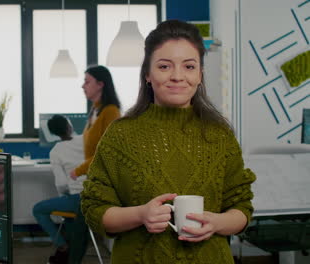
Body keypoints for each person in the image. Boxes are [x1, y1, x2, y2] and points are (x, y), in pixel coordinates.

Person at [80, 20, 256, 264]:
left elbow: (241, 208)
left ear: (200, 74)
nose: (177, 76)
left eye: (189, 66)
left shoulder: (219, 135)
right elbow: (94, 209)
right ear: (148, 75)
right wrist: (141, 215)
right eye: (164, 66)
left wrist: (217, 223)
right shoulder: (121, 134)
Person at [33, 115, 86, 264]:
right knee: (69, 215)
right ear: (70, 126)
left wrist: (66, 196)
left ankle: (62, 246)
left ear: (53, 133)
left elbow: (61, 184)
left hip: (77, 199)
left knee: (38, 209)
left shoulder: (55, 152)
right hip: (96, 196)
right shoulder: (85, 140)